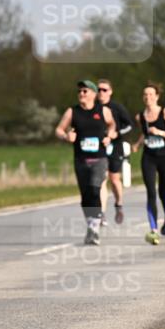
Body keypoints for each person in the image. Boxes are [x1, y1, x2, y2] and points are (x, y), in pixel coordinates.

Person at [55, 80, 117, 245]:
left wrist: (109, 136)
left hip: (99, 159)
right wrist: (66, 136)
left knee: (95, 189)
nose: (81, 94)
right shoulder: (72, 111)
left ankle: (94, 229)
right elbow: (59, 129)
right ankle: (91, 225)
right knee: (85, 195)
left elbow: (112, 125)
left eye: (85, 91)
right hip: (81, 159)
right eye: (79, 91)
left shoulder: (103, 111)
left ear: (94, 94)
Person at [132, 82, 165, 245]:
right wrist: (137, 145)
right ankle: (153, 229)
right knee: (151, 192)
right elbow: (144, 134)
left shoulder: (164, 112)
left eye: (151, 94)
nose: (148, 97)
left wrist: (159, 132)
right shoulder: (140, 116)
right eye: (145, 94)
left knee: (162, 191)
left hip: (164, 157)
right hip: (148, 157)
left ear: (157, 96)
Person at [96, 79, 133, 224]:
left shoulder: (117, 107)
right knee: (102, 179)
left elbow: (129, 125)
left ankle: (119, 204)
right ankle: (102, 213)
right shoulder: (93, 107)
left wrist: (117, 133)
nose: (101, 92)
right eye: (99, 89)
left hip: (115, 146)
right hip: (99, 147)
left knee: (114, 179)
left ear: (110, 92)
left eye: (104, 90)